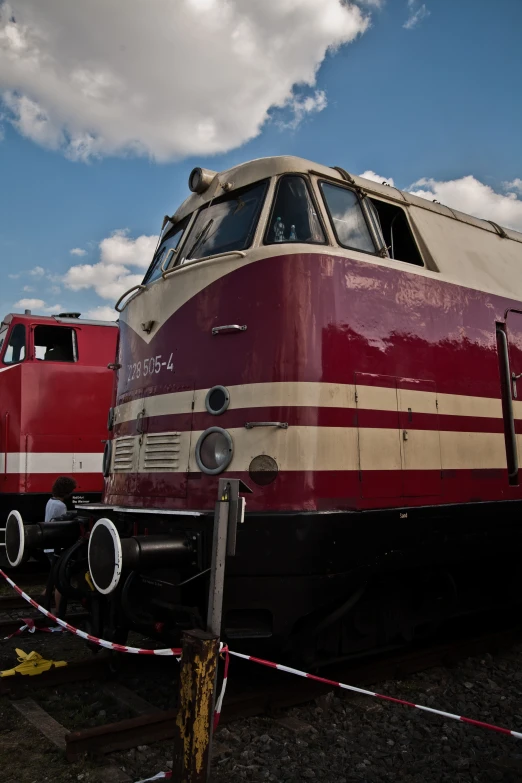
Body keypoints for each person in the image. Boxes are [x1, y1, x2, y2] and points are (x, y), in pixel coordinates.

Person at [45, 476, 77, 613]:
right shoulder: (61, 506)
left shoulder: (50, 501)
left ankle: (45, 598)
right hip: (56, 546)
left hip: (48, 545)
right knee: (61, 581)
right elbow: (62, 527)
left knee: (53, 576)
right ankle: (58, 611)